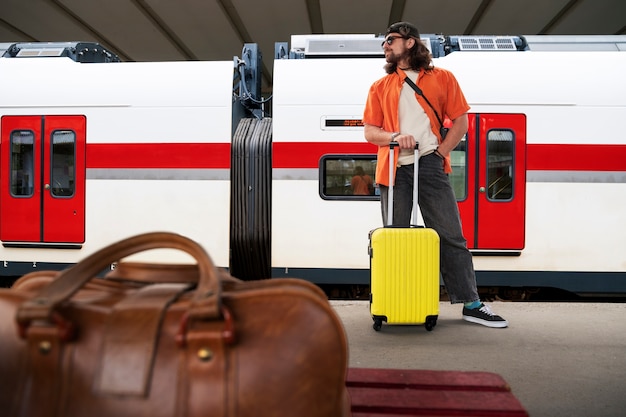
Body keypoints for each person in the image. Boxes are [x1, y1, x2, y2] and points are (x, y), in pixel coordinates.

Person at [362, 21, 508, 328]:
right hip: (393, 168)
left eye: (390, 40)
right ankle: (395, 301)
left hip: (429, 163)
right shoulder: (380, 87)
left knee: (450, 235)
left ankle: (471, 303)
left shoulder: (443, 79)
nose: (385, 46)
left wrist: (441, 152)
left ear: (410, 42)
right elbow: (370, 132)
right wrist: (394, 137)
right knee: (394, 238)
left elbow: (460, 122)